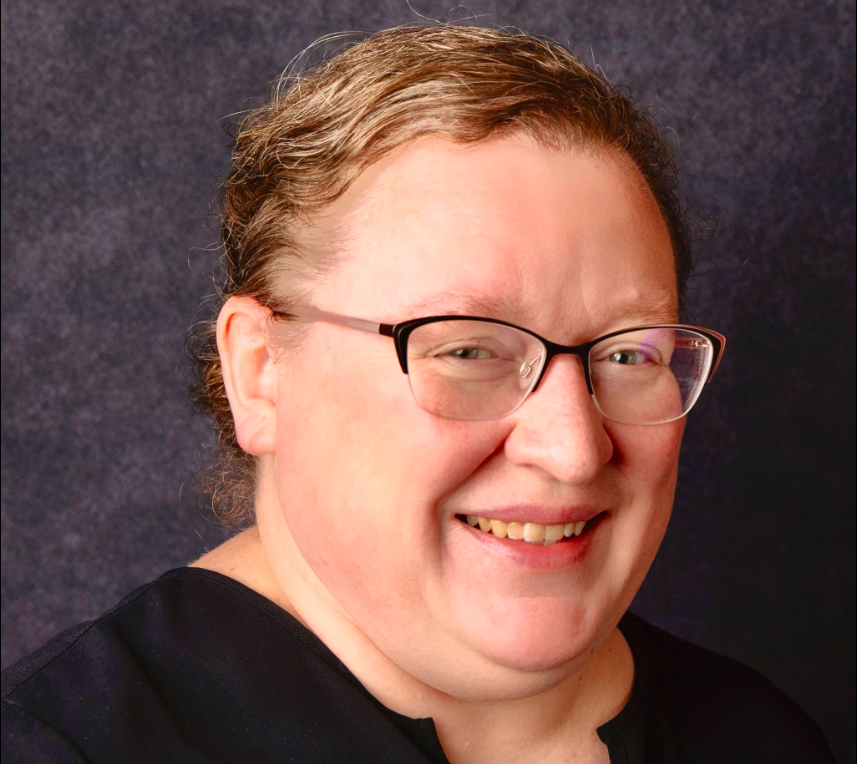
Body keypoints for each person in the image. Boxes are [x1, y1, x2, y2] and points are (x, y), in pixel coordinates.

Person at [0, 24, 836, 764]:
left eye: (626, 355)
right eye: (467, 349)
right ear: (260, 370)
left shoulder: (758, 738)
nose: (573, 448)